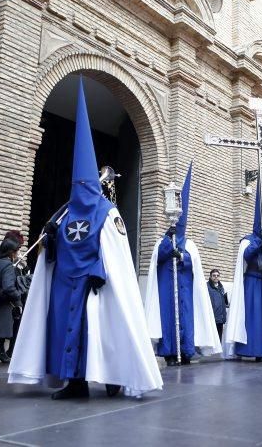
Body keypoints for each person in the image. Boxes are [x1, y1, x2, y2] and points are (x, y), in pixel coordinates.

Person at [9, 80, 162, 399]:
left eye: (85, 182)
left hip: (97, 284)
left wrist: (99, 270)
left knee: (103, 331)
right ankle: (74, 382)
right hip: (65, 285)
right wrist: (49, 238)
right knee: (66, 333)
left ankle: (114, 376)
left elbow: (117, 253)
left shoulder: (108, 213)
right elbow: (53, 250)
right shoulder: (63, 214)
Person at [145, 162, 222, 366]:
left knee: (187, 319)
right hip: (166, 290)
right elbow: (157, 259)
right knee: (168, 320)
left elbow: (193, 265)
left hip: (186, 290)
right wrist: (167, 245)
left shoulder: (190, 244)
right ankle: (170, 353)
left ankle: (186, 352)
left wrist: (181, 257)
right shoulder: (163, 240)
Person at [224, 180, 262, 361]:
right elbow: (246, 256)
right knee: (252, 318)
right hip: (252, 282)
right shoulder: (248, 240)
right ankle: (250, 351)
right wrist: (259, 241)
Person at [0, 238, 22, 367]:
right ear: (11, 252)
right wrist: (18, 296)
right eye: (17, 251)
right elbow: (8, 287)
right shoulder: (7, 265)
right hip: (3, 306)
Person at [207, 269, 228, 341]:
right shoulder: (207, 287)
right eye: (214, 275)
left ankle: (218, 351)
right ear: (210, 276)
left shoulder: (221, 287)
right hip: (212, 317)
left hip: (221, 318)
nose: (216, 277)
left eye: (217, 275)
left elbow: (225, 302)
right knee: (211, 338)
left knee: (219, 337)